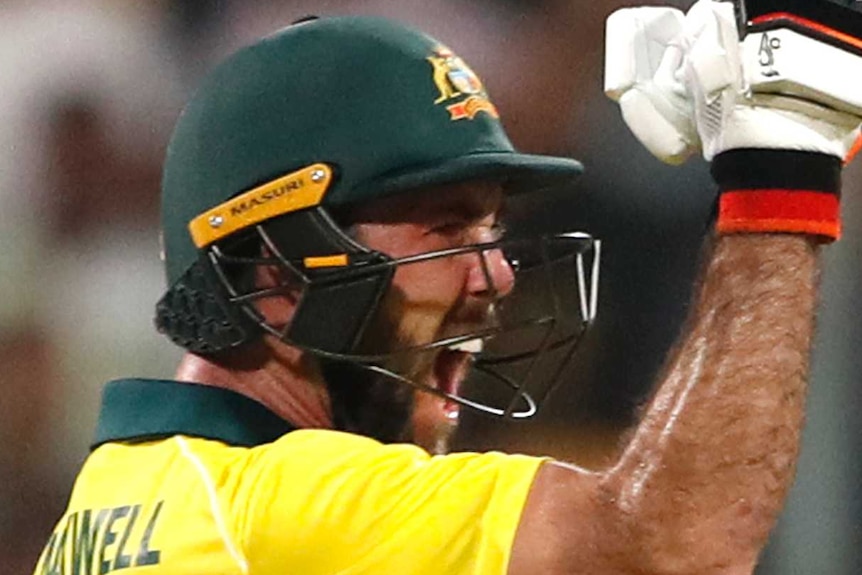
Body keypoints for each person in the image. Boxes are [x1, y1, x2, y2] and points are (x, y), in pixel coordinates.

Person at [33, 2, 862, 574]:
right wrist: (779, 177)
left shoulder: (117, 497)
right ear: (279, 270)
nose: (496, 273)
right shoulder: (281, 507)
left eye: (492, 229)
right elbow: (670, 546)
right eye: (444, 227)